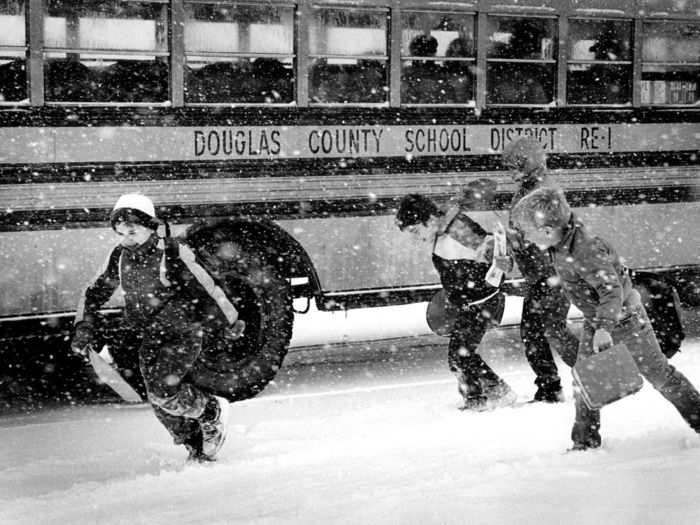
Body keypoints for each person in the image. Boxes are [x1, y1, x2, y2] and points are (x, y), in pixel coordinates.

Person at [510, 186, 700, 450]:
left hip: (625, 320)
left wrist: (604, 328)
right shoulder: (562, 238)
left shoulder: (584, 249)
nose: (527, 239)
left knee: (660, 375)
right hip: (599, 321)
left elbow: (611, 291)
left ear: (546, 231)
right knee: (585, 379)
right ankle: (585, 442)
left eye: (528, 233)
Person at [71, 193, 246, 462]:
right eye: (120, 232)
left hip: (183, 334)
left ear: (149, 226)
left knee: (165, 391)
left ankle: (210, 410)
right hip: (151, 336)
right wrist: (84, 327)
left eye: (132, 230)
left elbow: (206, 287)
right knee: (157, 400)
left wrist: (229, 320)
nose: (126, 238)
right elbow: (93, 293)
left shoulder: (173, 252)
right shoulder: (119, 256)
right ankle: (195, 444)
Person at [395, 180, 516, 411]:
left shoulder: (457, 230)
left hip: (482, 301)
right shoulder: (440, 234)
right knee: (459, 354)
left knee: (461, 353)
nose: (414, 238)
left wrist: (497, 257)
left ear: (429, 220)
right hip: (470, 302)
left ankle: (481, 399)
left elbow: (491, 247)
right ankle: (494, 391)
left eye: (415, 231)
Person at [502, 138, 579, 403]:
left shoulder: (543, 191)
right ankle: (553, 385)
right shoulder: (528, 186)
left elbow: (548, 231)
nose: (510, 172)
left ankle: (591, 373)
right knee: (539, 331)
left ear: (529, 163)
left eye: (515, 166)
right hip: (543, 274)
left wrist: (517, 241)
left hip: (552, 273)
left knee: (549, 330)